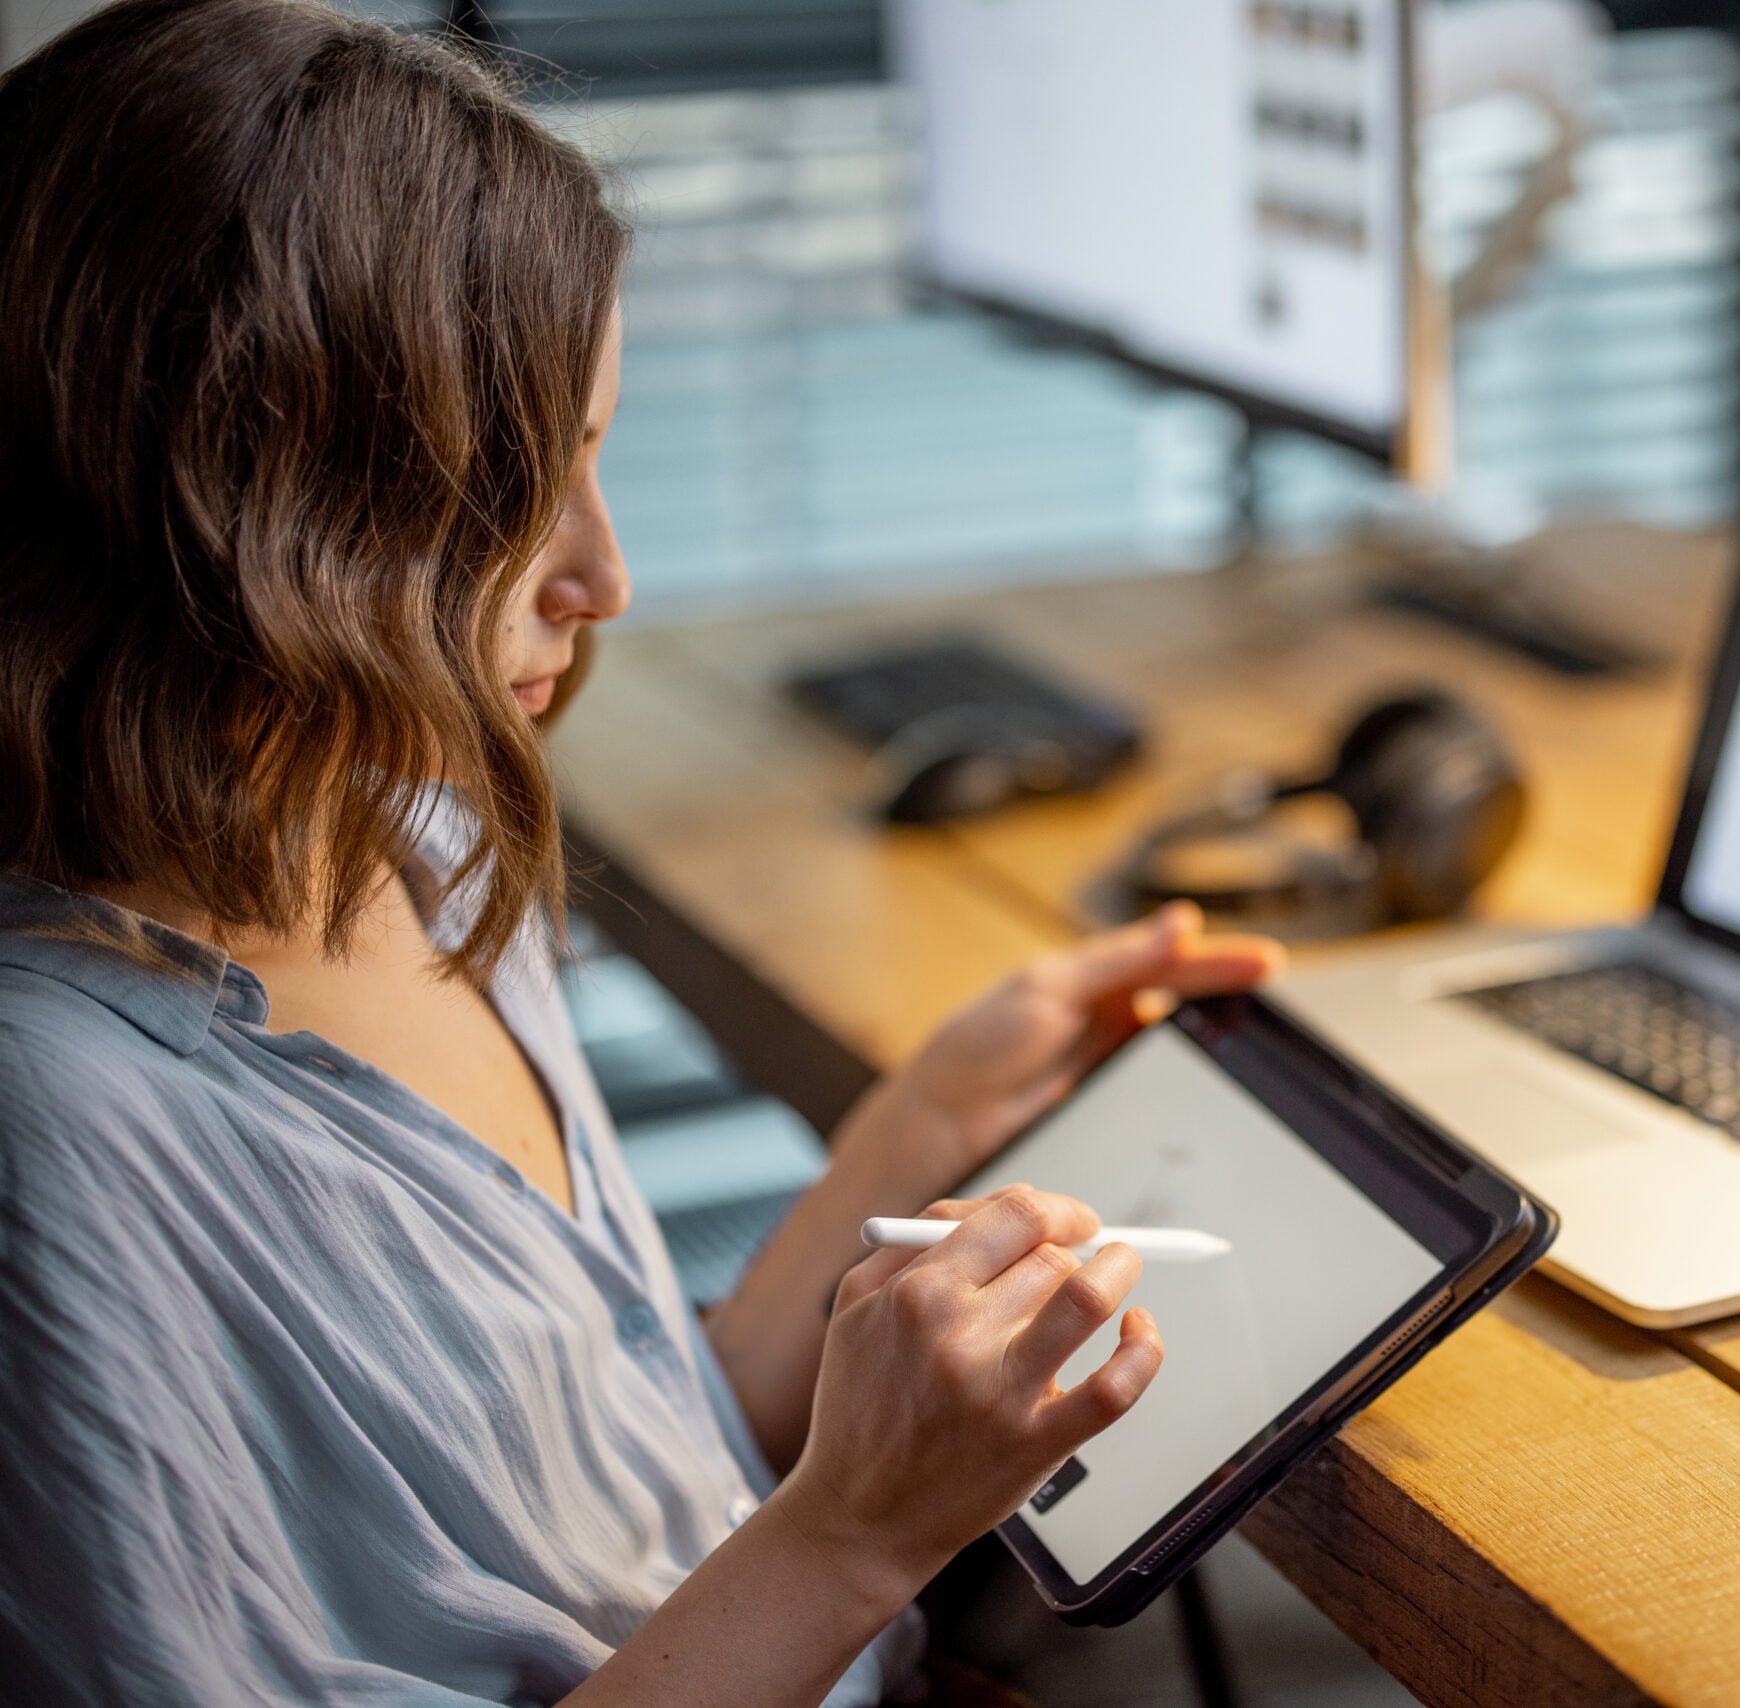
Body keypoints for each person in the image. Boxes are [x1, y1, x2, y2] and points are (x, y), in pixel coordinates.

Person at [0, 2, 1283, 1703]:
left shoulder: (411, 832)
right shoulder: (61, 1135)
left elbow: (620, 1479)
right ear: (239, 508)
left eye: (595, 453)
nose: (604, 576)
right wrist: (849, 1536)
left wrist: (909, 1134)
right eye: (505, 489)